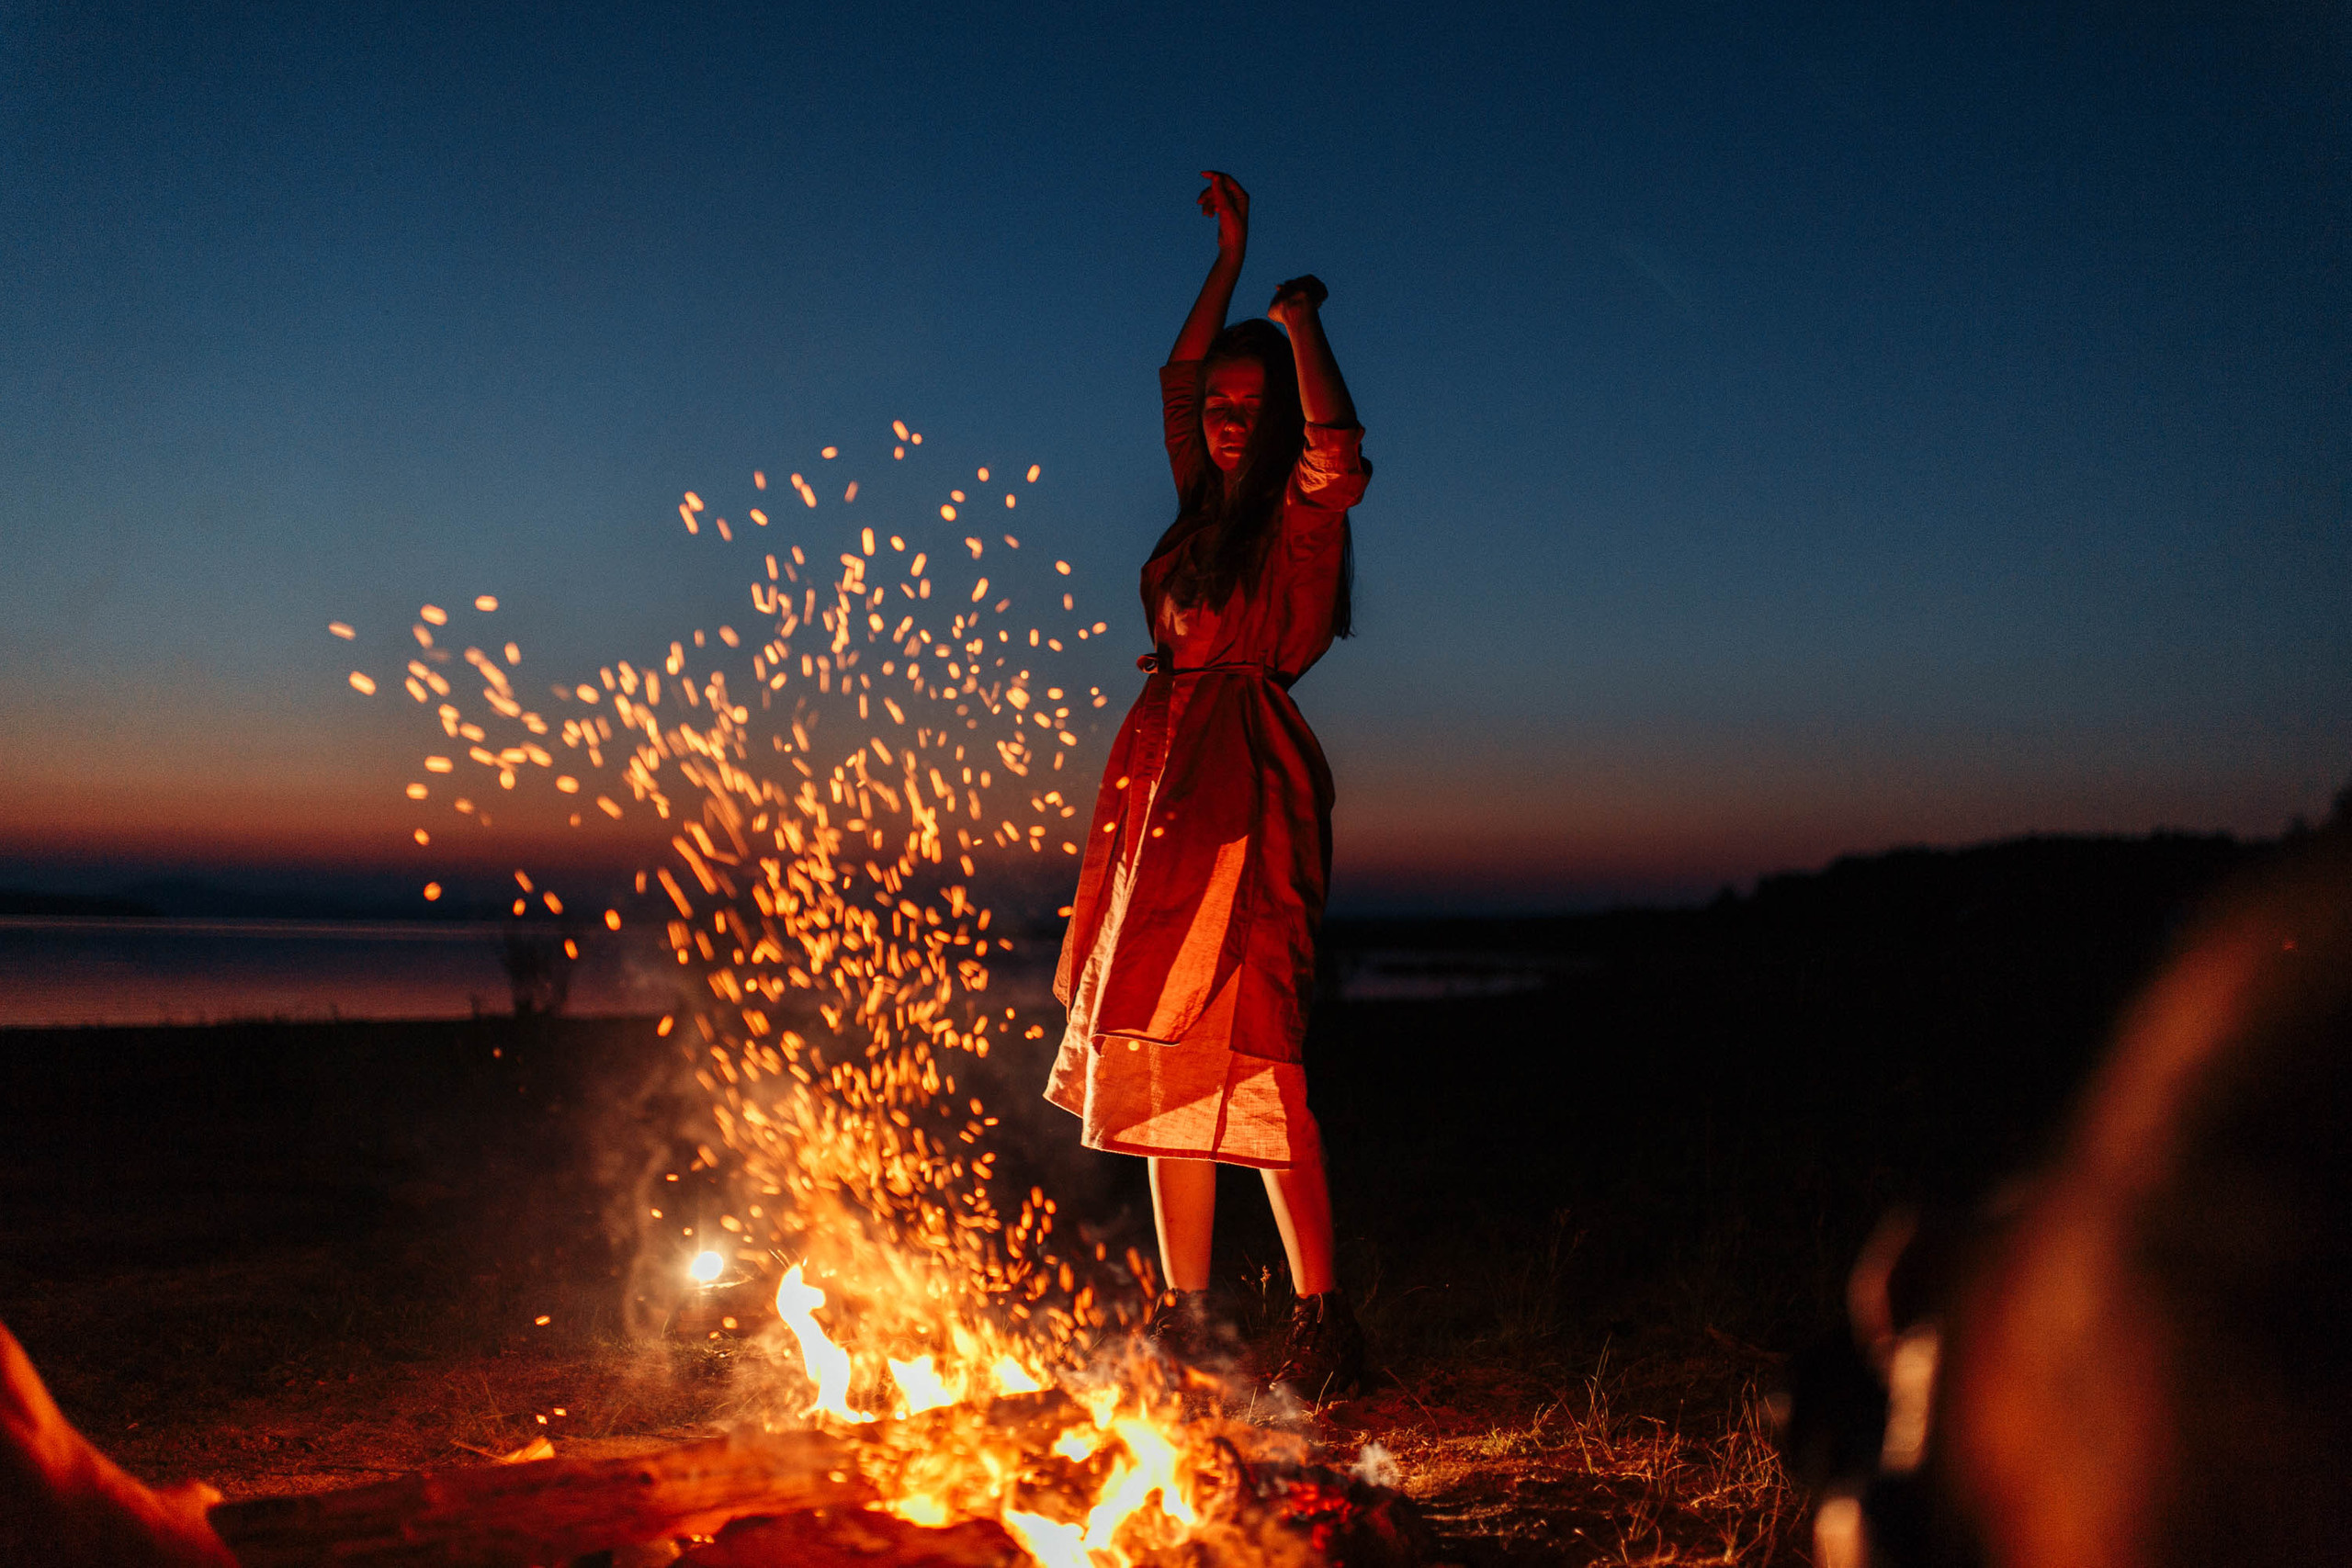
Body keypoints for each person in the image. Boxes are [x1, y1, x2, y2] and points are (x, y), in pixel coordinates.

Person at [1045, 170, 1369, 1397]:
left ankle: (1323, 1324)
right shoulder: (1196, 506)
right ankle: (1189, 1322)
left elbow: (1337, 451)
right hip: (1157, 787)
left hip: (1243, 790)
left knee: (1256, 1049)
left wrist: (1297, 325)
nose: (1229, 417)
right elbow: (1175, 384)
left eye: (1252, 405)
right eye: (1225, 406)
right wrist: (1228, 260)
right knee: (1158, 1043)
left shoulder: (1300, 516)